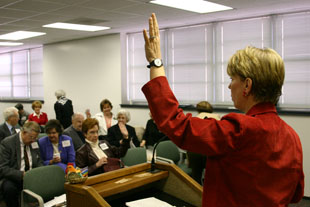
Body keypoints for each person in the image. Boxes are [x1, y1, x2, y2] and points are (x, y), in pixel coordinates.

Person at [141, 13, 304, 207]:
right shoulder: (292, 136)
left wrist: (155, 63)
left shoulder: (239, 129)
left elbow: (177, 124)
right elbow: (295, 194)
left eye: (232, 79)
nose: (229, 86)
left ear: (247, 85)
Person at [0, 121, 42, 207]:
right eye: (31, 137)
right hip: (15, 177)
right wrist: (22, 175)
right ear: (23, 132)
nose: (33, 140)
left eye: (35, 138)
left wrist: (39, 172)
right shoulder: (7, 143)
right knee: (8, 188)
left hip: (32, 175)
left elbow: (39, 161)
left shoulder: (34, 142)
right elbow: (3, 168)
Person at [187, 101, 221, 184]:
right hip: (211, 151)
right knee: (211, 177)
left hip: (195, 152)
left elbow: (189, 139)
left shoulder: (193, 119)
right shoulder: (218, 119)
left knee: (196, 176)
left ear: (198, 109)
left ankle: (196, 193)